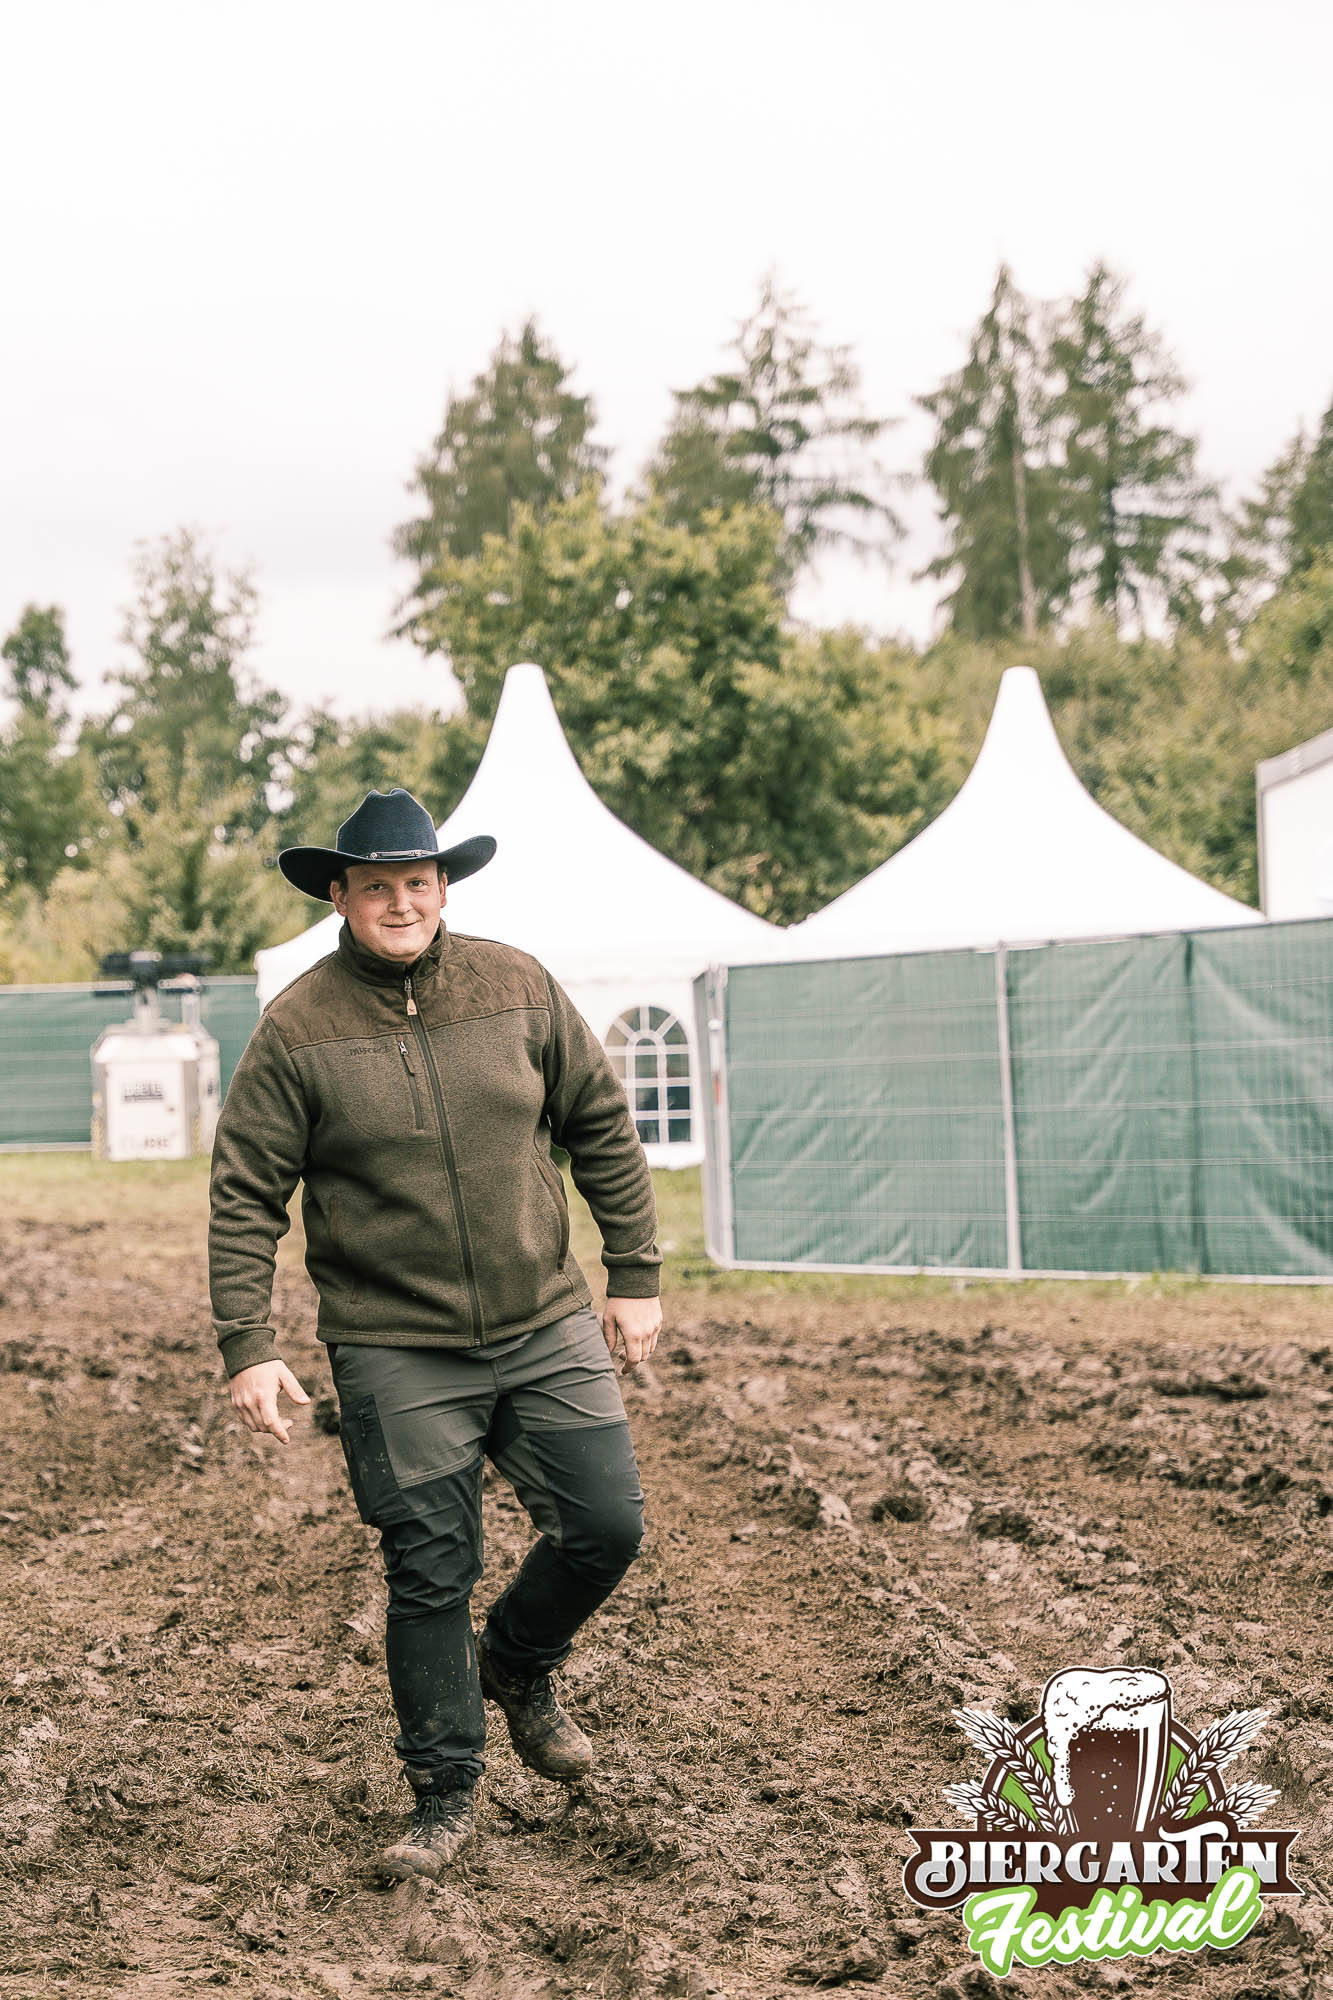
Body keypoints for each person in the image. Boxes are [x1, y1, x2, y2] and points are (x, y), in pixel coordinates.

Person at [208, 786, 662, 1881]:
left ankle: (516, 1661)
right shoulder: (299, 1030)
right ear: (339, 895)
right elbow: (245, 1192)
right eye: (378, 887)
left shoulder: (517, 986)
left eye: (418, 882)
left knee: (605, 1526)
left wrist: (635, 1273)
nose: (401, 902)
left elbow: (601, 1125)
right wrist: (248, 1341)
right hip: (394, 1344)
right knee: (428, 1569)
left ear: (444, 888)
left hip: (543, 1319)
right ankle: (444, 1793)